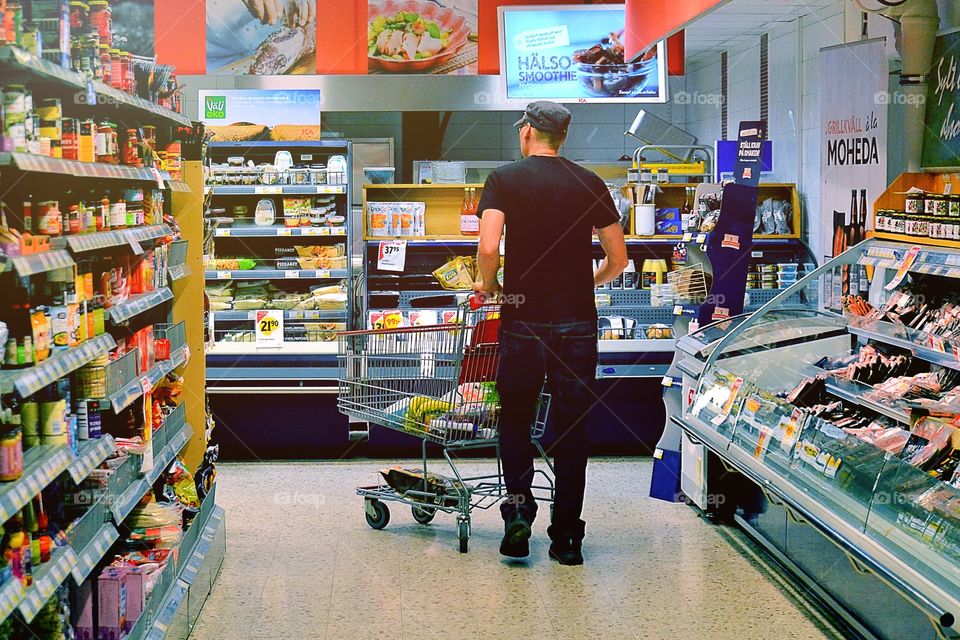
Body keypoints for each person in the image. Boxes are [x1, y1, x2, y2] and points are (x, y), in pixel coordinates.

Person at [474, 101, 629, 565]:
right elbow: (619, 259)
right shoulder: (590, 181)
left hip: (523, 322)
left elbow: (487, 247)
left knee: (517, 419)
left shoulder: (504, 179)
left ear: (527, 133)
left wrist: (492, 285)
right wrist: (590, 282)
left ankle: (518, 513)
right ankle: (566, 538)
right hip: (577, 324)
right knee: (572, 430)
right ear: (561, 138)